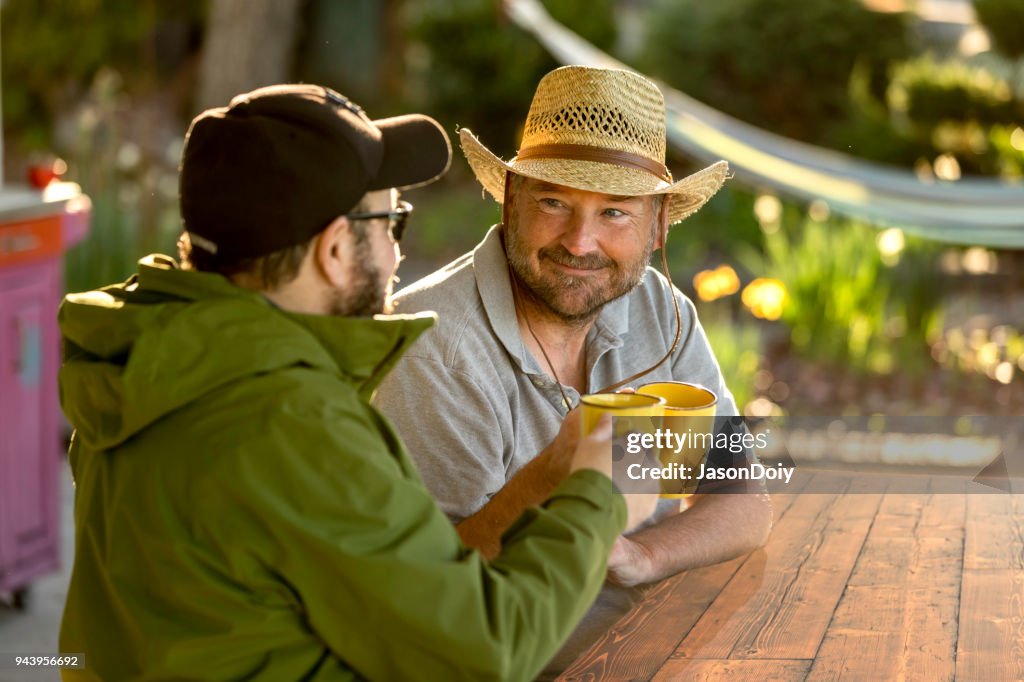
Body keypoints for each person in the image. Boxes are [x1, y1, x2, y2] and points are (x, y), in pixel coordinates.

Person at [57, 83, 657, 681]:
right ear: (337, 249)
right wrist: (596, 487)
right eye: (392, 223)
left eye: (615, 212)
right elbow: (483, 649)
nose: (397, 257)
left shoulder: (148, 359)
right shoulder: (294, 422)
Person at [374, 65, 774, 675]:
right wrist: (555, 473)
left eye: (615, 212)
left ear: (658, 224)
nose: (580, 242)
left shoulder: (662, 313)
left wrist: (644, 556)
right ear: (510, 199)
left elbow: (744, 500)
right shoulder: (435, 345)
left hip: (660, 644)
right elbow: (427, 593)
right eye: (554, 203)